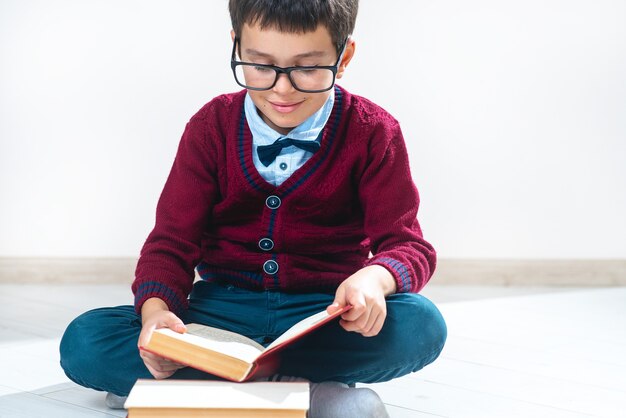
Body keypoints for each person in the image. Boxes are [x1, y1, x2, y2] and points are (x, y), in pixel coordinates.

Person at [59, 1, 447, 416]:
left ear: (343, 56)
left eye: (307, 68)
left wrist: (376, 279)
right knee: (85, 340)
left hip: (322, 316)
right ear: (236, 45)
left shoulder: (373, 132)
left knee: (421, 326)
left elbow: (409, 247)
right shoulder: (211, 127)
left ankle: (185, 390)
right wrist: (157, 316)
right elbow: (170, 243)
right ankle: (311, 397)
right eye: (260, 65)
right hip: (221, 313)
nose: (283, 89)